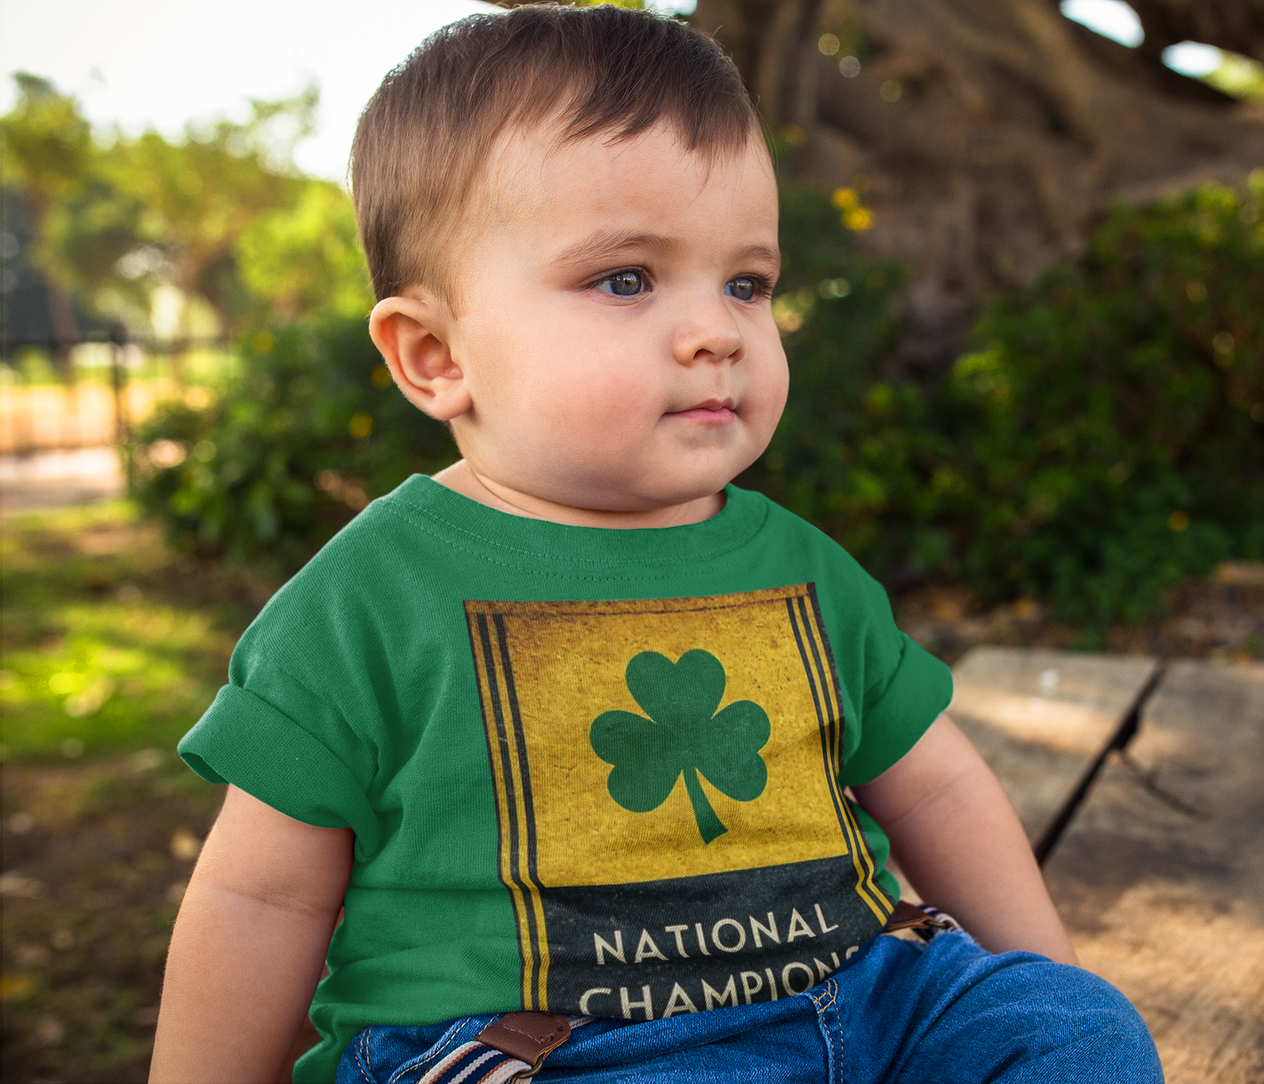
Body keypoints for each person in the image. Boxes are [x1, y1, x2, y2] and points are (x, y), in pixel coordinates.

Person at [149, 6, 1163, 1083]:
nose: (717, 329)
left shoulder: (801, 566)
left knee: (1074, 1037)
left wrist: (1044, 977)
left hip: (864, 996)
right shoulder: (368, 599)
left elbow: (936, 790)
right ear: (436, 355)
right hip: (551, 1049)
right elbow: (260, 893)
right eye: (626, 279)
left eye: (747, 282)